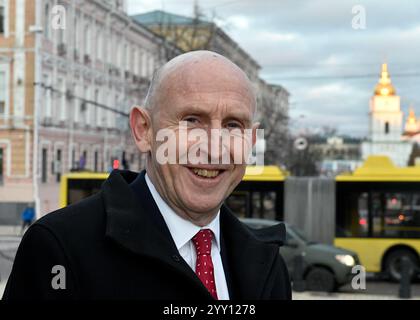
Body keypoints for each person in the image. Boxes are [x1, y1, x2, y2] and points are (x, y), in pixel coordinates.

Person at [3, 51, 291, 300]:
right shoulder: (60, 249)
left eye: (232, 125)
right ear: (143, 130)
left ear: (251, 143)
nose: (215, 149)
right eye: (191, 120)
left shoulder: (268, 265)